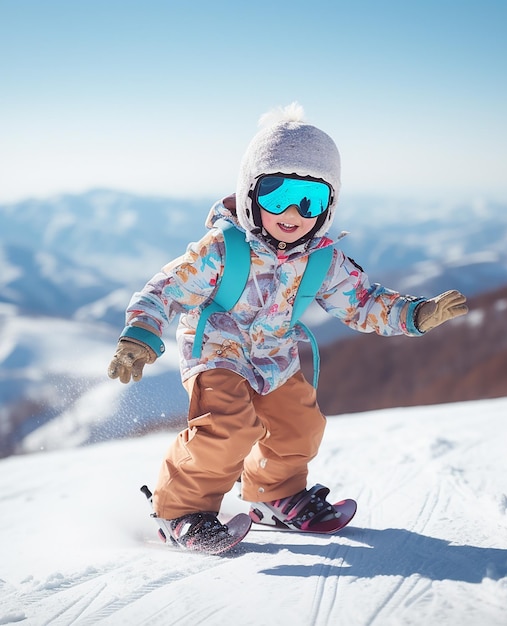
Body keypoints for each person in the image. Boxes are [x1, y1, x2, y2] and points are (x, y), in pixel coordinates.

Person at [108, 103, 468, 550]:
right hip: (216, 349)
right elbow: (166, 288)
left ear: (328, 207)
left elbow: (360, 302)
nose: (293, 212)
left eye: (310, 199)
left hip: (274, 353)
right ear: (249, 195)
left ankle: (272, 493)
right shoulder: (223, 248)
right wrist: (140, 332)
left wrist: (414, 315)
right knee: (229, 426)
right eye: (277, 195)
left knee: (301, 425)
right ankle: (181, 511)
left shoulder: (321, 258)